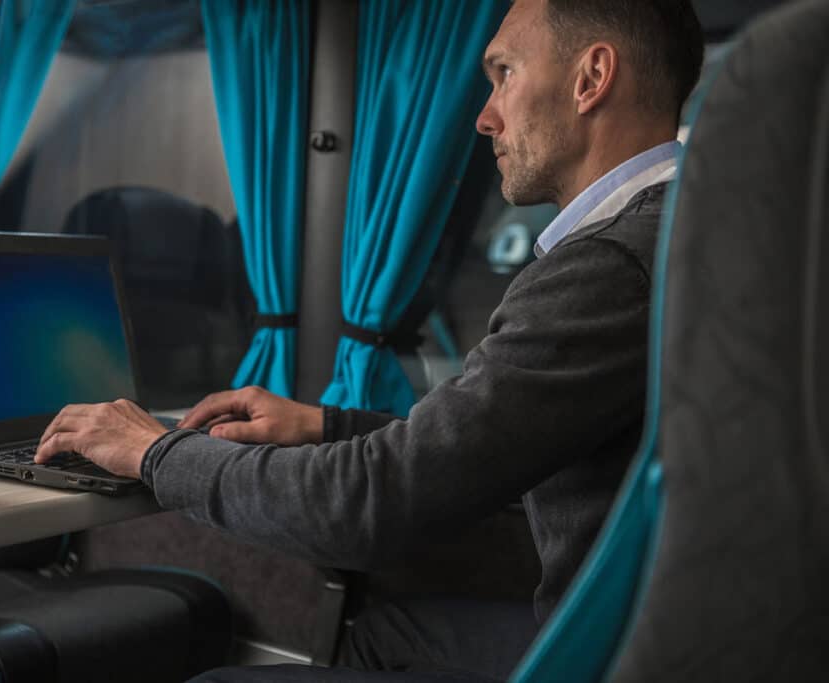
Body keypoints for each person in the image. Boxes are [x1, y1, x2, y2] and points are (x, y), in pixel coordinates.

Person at [35, 0, 704, 679]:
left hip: (615, 655)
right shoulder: (681, 234)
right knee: (390, 634)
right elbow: (491, 446)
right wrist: (326, 423)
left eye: (503, 73)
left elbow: (375, 503)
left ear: (591, 78)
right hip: (652, 628)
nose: (485, 114)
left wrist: (157, 451)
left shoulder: (607, 267)